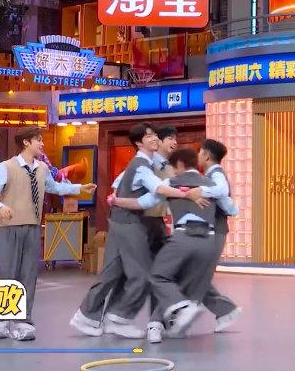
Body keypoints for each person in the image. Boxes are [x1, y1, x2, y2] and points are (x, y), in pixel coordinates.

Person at [70, 123, 203, 339]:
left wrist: (119, 201)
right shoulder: (142, 165)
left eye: (155, 135)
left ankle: (89, 316)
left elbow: (147, 198)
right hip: (130, 223)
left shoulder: (152, 164)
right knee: (142, 274)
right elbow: (154, 190)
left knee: (115, 272)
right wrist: (186, 194)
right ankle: (118, 317)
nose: (156, 139)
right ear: (139, 142)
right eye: (150, 136)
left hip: (133, 220)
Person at [109, 148, 239, 342]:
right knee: (187, 282)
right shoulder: (211, 183)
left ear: (179, 165)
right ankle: (160, 324)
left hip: (183, 237)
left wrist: (116, 200)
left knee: (157, 275)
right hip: (209, 242)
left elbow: (143, 203)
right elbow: (232, 209)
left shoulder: (171, 183)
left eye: (173, 168)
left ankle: (179, 308)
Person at [0, 126, 96, 341]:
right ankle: (0, 320)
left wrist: (79, 188)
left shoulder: (42, 168)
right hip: (10, 227)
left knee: (28, 274)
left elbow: (55, 187)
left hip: (32, 226)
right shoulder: (7, 167)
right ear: (26, 143)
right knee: (7, 273)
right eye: (38, 140)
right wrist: (0, 207)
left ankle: (23, 320)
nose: (42, 144)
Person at [198, 139, 243, 333]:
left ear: (207, 155)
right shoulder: (210, 174)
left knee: (199, 276)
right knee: (198, 275)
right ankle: (225, 311)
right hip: (212, 230)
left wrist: (198, 191)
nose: (198, 155)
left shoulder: (216, 175)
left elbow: (224, 197)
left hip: (215, 230)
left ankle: (226, 310)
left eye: (200, 152)